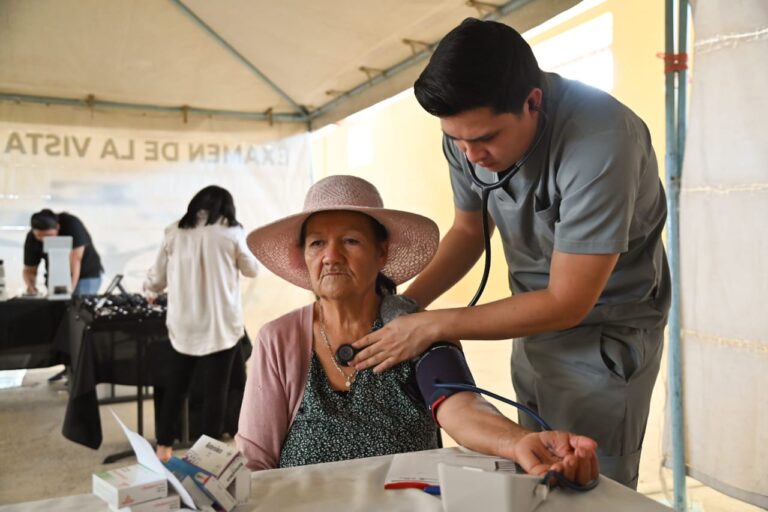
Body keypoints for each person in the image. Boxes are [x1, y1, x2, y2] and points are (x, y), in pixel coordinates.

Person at [349, 19, 670, 488]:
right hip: (532, 326)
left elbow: (568, 301)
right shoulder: (467, 129)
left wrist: (430, 325)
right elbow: (467, 230)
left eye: (484, 139)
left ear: (533, 102)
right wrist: (405, 307)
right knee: (533, 471)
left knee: (591, 486)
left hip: (602, 336)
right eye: (457, 140)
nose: (470, 154)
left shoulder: (601, 141)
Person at [236, 174, 598, 485]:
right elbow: (255, 459)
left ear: (382, 254)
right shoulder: (279, 339)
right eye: (317, 243)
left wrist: (518, 442)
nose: (331, 256)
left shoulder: (417, 329)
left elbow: (462, 407)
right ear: (304, 257)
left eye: (350, 241)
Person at [144, 185, 258, 462]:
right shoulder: (231, 233)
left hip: (183, 326)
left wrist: (148, 287)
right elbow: (251, 269)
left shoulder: (173, 232)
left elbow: (157, 280)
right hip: (221, 327)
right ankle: (208, 457)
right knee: (215, 393)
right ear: (226, 207)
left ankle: (164, 449)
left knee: (176, 388)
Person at [23, 209, 104, 295]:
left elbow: (75, 260)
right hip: (56, 278)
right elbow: (30, 269)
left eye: (48, 235)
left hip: (85, 274)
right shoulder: (32, 238)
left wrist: (68, 293)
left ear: (57, 227)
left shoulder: (72, 225)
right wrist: (31, 287)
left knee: (77, 304)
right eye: (40, 235)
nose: (44, 239)